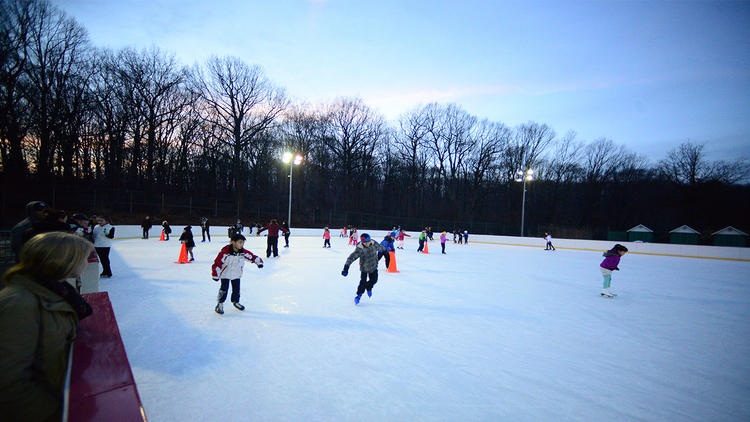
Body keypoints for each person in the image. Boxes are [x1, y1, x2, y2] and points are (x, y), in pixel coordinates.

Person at [0, 232, 94, 422]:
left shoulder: (57, 292)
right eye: (84, 257)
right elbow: (9, 383)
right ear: (64, 261)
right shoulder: (18, 304)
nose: (87, 262)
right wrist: (57, 412)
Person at [211, 234, 264, 314]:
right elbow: (217, 263)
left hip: (236, 274)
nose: (241, 245)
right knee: (224, 289)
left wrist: (258, 262)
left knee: (236, 290)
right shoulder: (225, 253)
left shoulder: (242, 252)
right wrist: (215, 274)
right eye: (240, 242)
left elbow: (251, 257)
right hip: (225, 274)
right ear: (233, 242)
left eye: (243, 243)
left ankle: (236, 302)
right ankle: (220, 304)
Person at [341, 233, 386, 305]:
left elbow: (380, 248)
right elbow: (351, 257)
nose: (367, 244)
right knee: (363, 282)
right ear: (362, 242)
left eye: (368, 242)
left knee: (374, 280)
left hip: (374, 266)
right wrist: (346, 268)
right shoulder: (360, 249)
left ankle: (368, 287)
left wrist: (385, 249)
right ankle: (358, 295)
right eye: (365, 243)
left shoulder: (373, 243)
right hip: (364, 268)